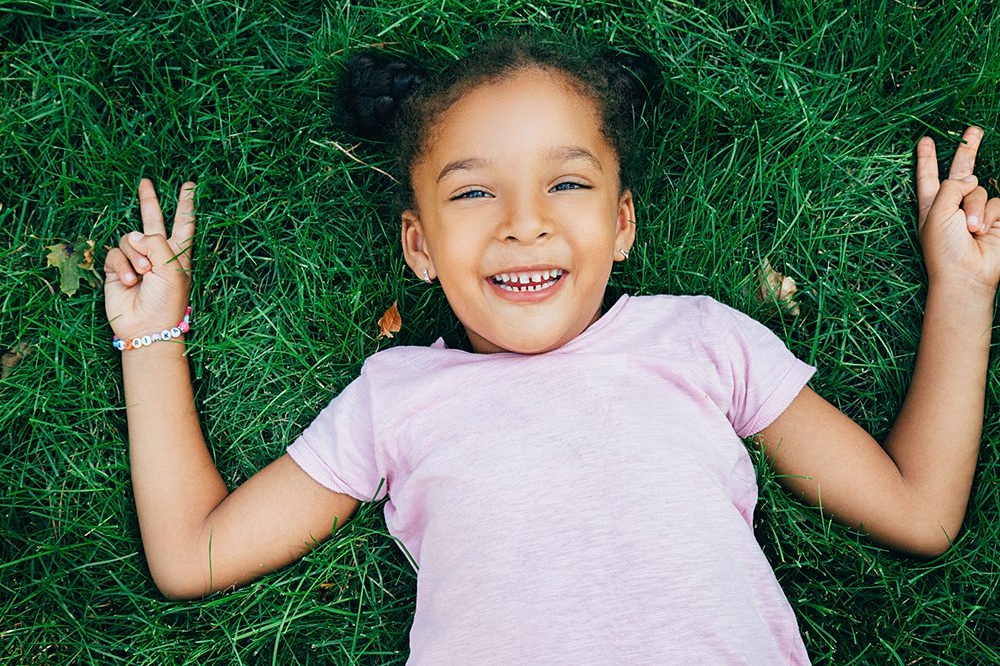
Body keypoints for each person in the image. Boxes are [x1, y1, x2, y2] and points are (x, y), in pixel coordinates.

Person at [102, 37, 999, 664]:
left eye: (566, 183)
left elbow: (917, 511)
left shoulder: (700, 339)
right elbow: (192, 554)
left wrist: (962, 288)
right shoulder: (396, 397)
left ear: (622, 223)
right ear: (419, 246)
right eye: (473, 193)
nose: (524, 222)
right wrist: (150, 336)